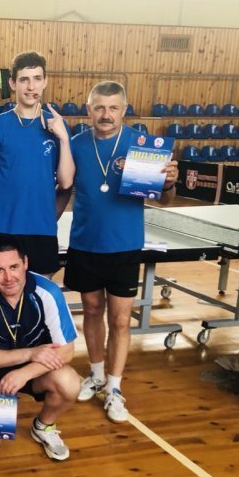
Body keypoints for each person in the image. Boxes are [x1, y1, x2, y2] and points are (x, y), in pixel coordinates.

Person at [66, 81, 178, 423]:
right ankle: (97, 374)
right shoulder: (75, 145)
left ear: (124, 110)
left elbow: (164, 199)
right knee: (91, 310)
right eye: (99, 107)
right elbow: (62, 187)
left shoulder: (142, 145)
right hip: (84, 243)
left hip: (124, 245)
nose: (106, 114)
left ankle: (114, 388)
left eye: (113, 108)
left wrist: (169, 182)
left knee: (119, 320)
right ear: (89, 110)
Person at [0, 236, 80, 460]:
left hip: (35, 370)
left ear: (25, 263)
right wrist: (30, 353)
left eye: (14, 267)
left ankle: (43, 426)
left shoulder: (47, 292)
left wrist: (24, 373)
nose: (9, 277)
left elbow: (67, 350)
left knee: (69, 382)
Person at [0, 51, 75, 276]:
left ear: (45, 81)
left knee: (38, 293)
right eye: (24, 79)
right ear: (12, 83)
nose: (31, 86)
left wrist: (64, 139)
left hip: (41, 227)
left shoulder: (57, 125)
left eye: (37, 79)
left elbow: (66, 181)